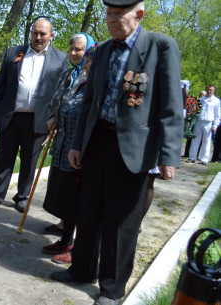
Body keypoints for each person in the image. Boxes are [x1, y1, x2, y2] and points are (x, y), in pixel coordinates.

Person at [51, 2, 183, 305]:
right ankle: (82, 269)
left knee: (121, 222)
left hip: (134, 149)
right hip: (97, 141)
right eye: (108, 14)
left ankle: (111, 288)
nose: (110, 20)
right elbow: (90, 101)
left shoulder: (160, 47)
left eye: (117, 15)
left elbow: (172, 106)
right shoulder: (105, 49)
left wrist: (169, 155)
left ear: (138, 15)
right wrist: (76, 144)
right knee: (89, 210)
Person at [0, 18, 67, 213]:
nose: (38, 37)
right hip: (11, 116)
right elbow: (0, 87)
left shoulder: (61, 59)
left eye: (43, 33)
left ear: (51, 35)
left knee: (29, 161)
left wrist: (56, 118)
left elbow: (62, 92)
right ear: (30, 33)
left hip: (39, 119)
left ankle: (22, 197)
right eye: (35, 32)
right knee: (2, 158)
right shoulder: (14, 53)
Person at [42, 34, 96, 264]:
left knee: (76, 196)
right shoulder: (67, 73)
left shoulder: (92, 77)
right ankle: (65, 237)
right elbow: (57, 100)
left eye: (80, 50)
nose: (74, 53)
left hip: (80, 146)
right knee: (63, 191)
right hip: (62, 139)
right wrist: (54, 116)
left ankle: (73, 242)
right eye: (72, 49)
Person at [187, 85, 220, 165]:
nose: (209, 91)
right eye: (208, 90)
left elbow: (217, 115)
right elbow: (195, 111)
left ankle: (204, 159)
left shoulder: (216, 101)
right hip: (199, 121)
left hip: (208, 122)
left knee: (207, 141)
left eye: (211, 90)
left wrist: (215, 125)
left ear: (213, 91)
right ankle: (192, 157)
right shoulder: (201, 100)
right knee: (195, 139)